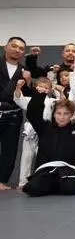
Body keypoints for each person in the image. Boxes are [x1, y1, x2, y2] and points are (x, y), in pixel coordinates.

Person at [22, 87, 75, 197]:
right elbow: (32, 114)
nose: (62, 117)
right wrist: (39, 96)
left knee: (70, 188)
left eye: (66, 113)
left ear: (71, 115)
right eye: (59, 113)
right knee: (31, 188)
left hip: (70, 171)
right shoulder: (45, 128)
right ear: (53, 114)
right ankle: (52, 185)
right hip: (46, 170)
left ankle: (55, 186)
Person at [14, 77, 59, 187]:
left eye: (46, 87)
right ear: (35, 87)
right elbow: (18, 98)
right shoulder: (30, 100)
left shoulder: (51, 100)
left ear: (50, 90)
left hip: (45, 130)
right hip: (31, 130)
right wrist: (18, 87)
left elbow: (62, 103)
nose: (42, 89)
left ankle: (42, 179)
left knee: (43, 155)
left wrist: (60, 92)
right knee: (27, 155)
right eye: (40, 86)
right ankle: (23, 181)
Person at [0, 36, 32, 190]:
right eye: (14, 46)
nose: (17, 50)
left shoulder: (24, 71)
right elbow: (6, 94)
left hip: (13, 114)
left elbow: (25, 96)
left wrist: (29, 81)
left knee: (10, 149)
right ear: (5, 47)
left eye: (21, 49)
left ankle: (1, 180)